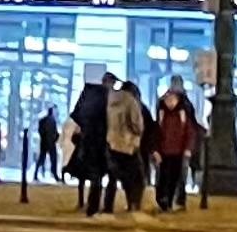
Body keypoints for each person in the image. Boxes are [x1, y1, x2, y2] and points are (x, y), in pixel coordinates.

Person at [68, 70, 115, 215]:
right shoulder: (107, 98)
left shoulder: (89, 96)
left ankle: (89, 204)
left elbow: (77, 116)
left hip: (88, 141)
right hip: (103, 142)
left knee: (94, 175)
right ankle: (100, 206)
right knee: (105, 175)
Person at [104, 74, 151, 211]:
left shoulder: (111, 101)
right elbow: (137, 125)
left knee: (113, 177)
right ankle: (133, 204)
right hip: (128, 144)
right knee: (136, 177)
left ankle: (108, 206)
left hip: (112, 142)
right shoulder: (131, 102)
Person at [151, 81, 200, 212]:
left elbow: (190, 133)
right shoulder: (162, 115)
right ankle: (163, 200)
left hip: (178, 152)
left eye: (172, 100)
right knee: (163, 178)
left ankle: (169, 201)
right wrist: (155, 150)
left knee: (174, 178)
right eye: (168, 100)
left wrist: (188, 149)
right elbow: (156, 134)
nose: (170, 102)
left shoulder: (183, 115)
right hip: (164, 152)